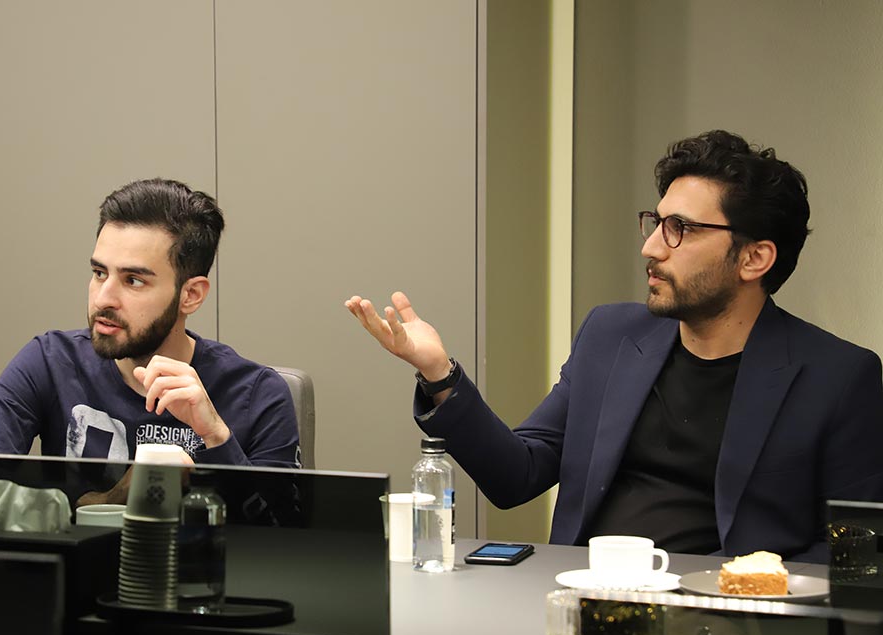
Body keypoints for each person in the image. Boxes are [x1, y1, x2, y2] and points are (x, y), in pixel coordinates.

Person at [345, 129, 883, 563]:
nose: (651, 247)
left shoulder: (837, 377)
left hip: (730, 625)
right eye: (656, 223)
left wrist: (739, 595)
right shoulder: (611, 335)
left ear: (754, 258)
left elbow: (856, 552)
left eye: (681, 228)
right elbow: (517, 475)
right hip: (583, 603)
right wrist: (440, 375)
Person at [0, 178, 301, 490]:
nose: (103, 299)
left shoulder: (257, 395)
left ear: (191, 295)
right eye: (99, 273)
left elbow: (284, 532)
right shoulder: (50, 362)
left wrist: (216, 438)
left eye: (133, 280)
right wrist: (104, 501)